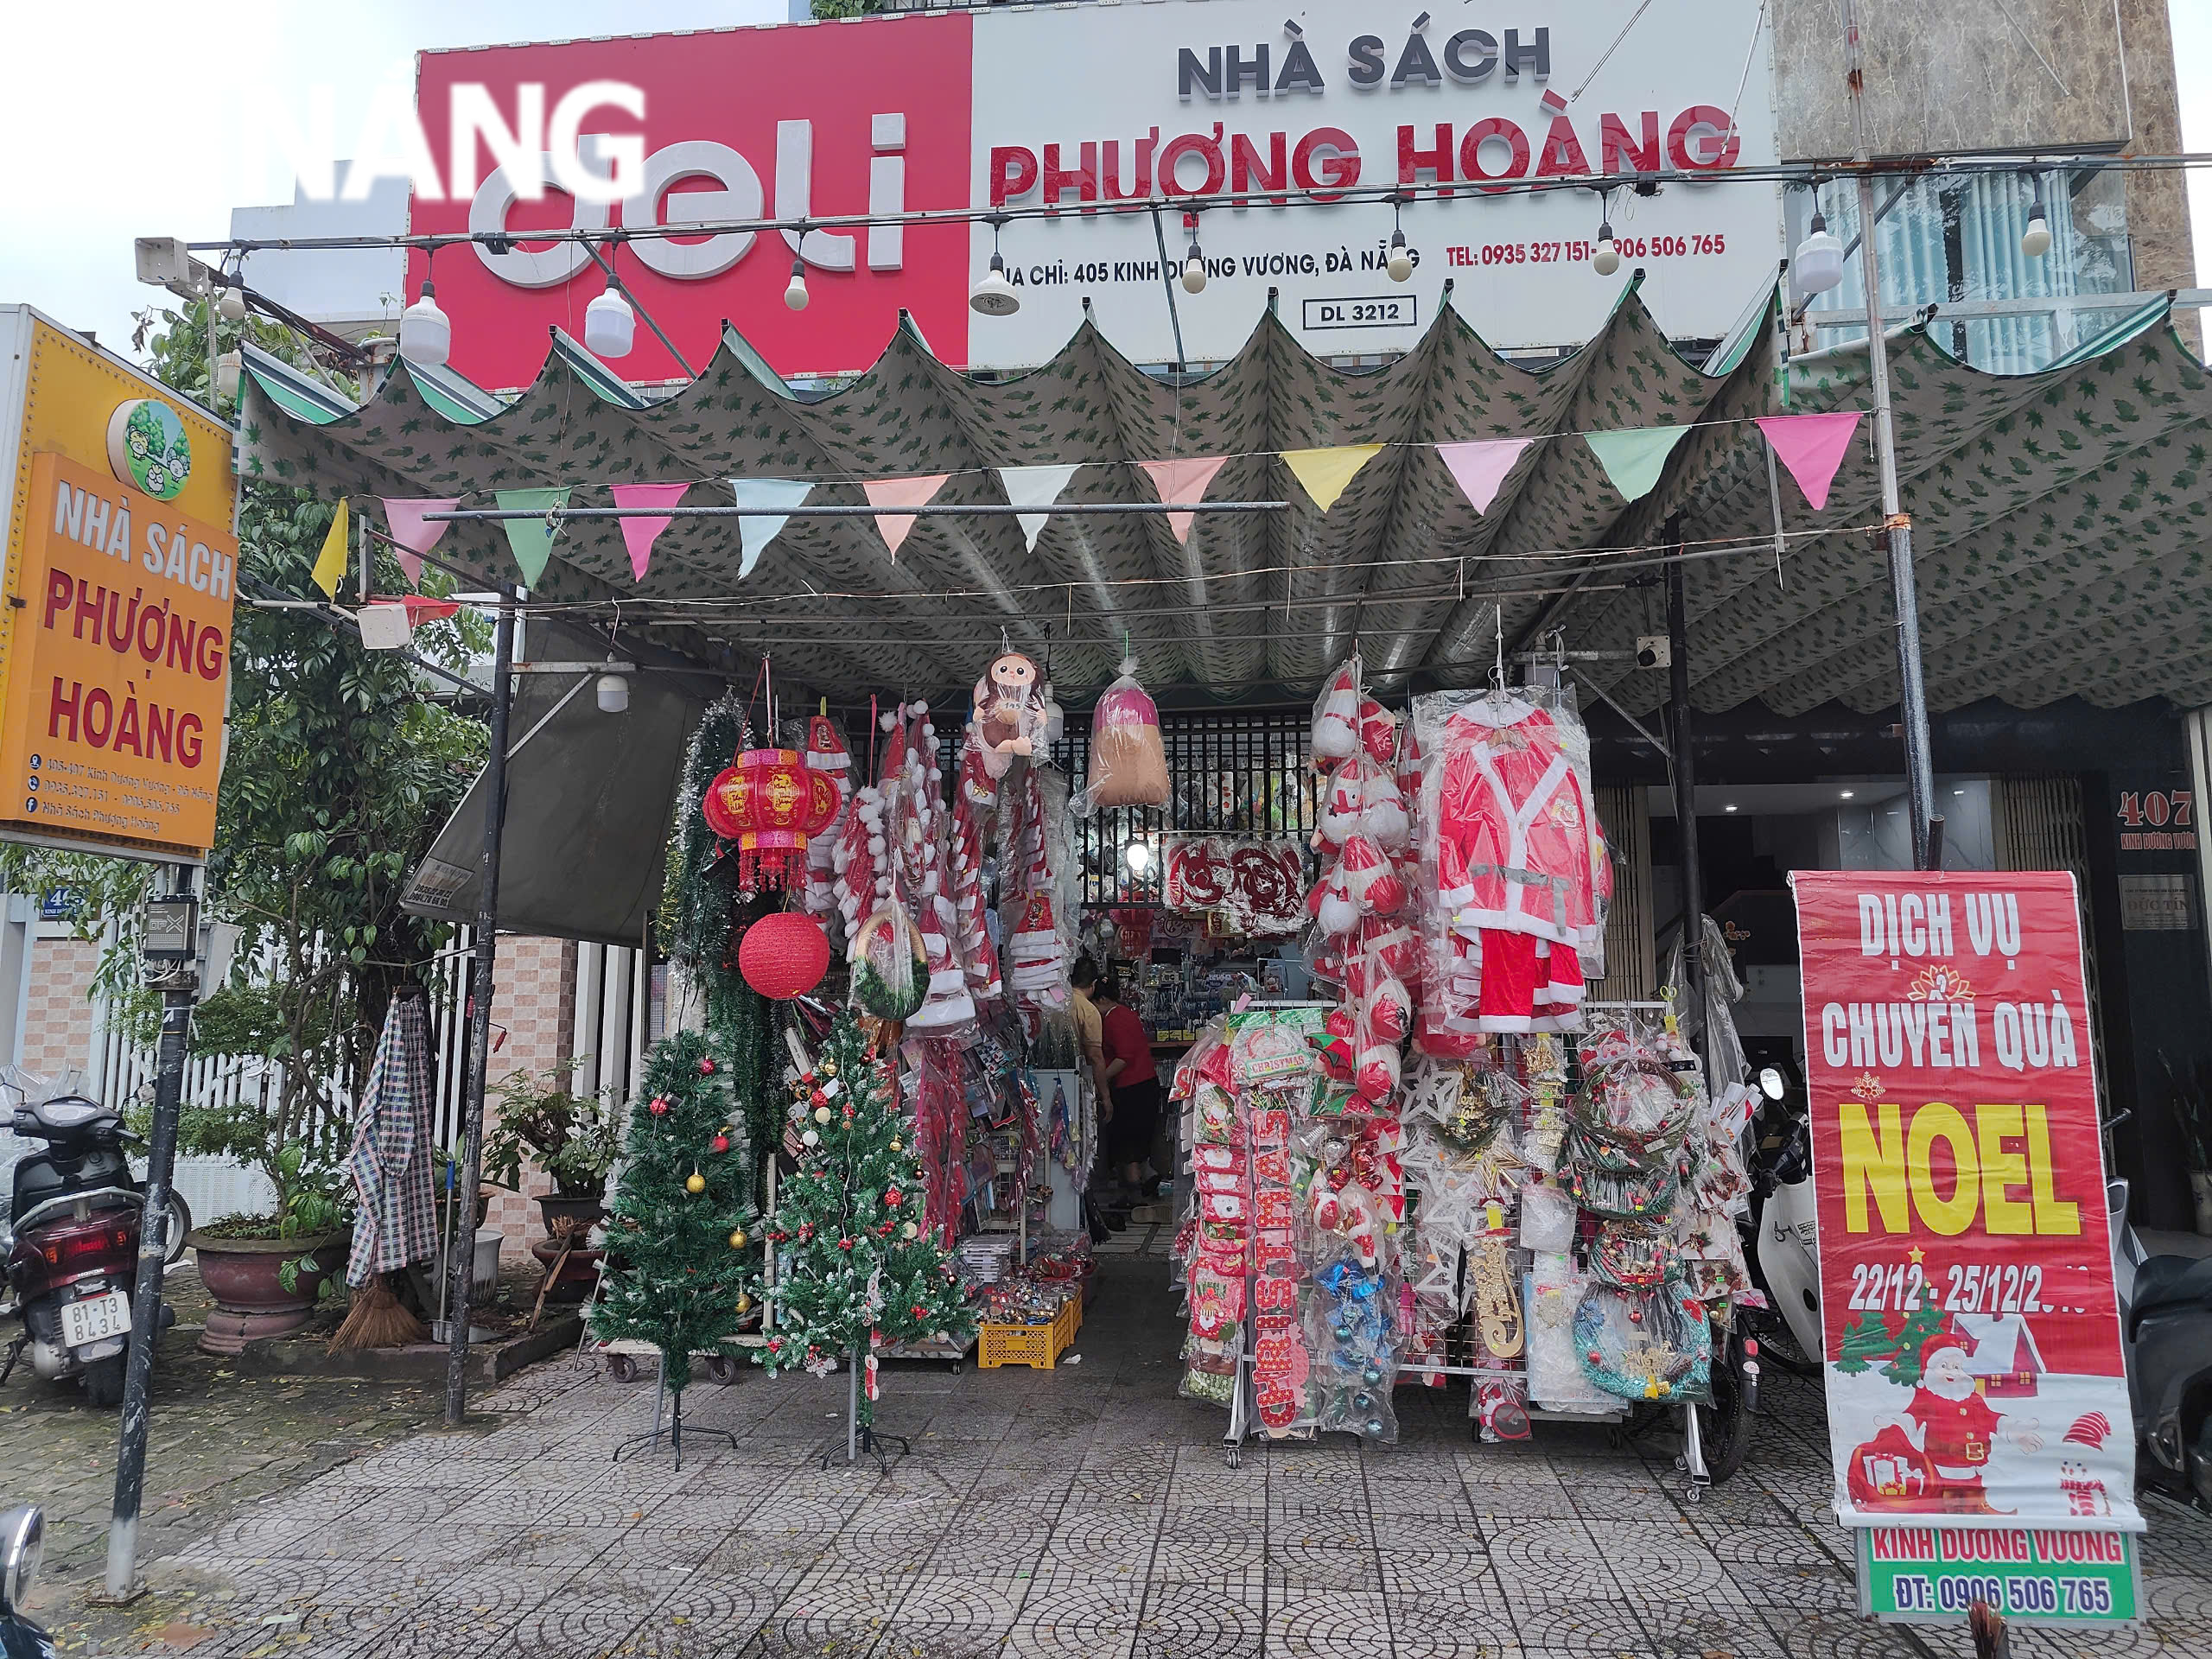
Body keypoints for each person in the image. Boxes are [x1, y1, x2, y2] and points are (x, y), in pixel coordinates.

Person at [1095, 967, 1163, 1208]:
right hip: (1145, 1085)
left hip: (1132, 1089)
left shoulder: (1114, 1019)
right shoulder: (1127, 1014)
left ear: (1102, 999)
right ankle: (1148, 1180)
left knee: (1128, 1145)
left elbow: (1123, 1058)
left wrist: (1099, 1078)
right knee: (1137, 1142)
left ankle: (1135, 1198)